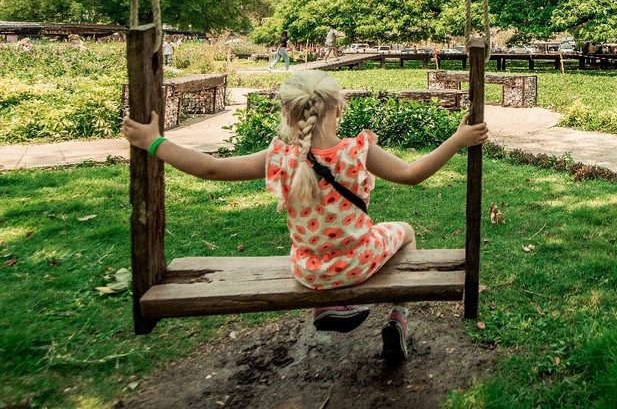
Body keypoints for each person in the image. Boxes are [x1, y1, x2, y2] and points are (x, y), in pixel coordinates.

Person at [120, 69, 487, 361]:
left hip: (310, 270)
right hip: (359, 262)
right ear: (339, 109)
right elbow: (412, 174)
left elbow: (211, 168)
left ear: (287, 113)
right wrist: (457, 138)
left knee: (324, 249)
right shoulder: (358, 152)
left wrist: (153, 141)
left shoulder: (281, 157)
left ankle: (329, 302)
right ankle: (398, 318)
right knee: (404, 231)